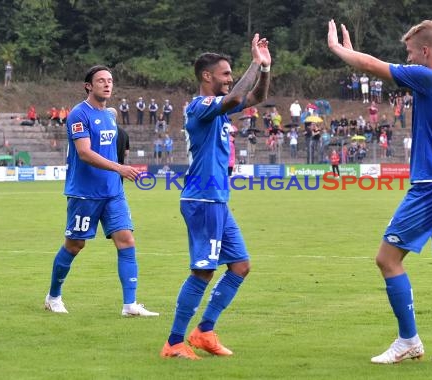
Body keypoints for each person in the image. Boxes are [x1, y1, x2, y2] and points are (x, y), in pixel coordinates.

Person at [328, 19, 432, 365]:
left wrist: (339, 50)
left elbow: (372, 66)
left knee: (387, 259)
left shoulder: (429, 76)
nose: (408, 60)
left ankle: (408, 340)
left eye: (410, 53)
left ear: (425, 51)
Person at [160, 34, 271, 360]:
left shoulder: (218, 112)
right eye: (225, 74)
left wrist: (264, 68)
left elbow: (256, 96)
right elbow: (237, 97)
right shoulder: (199, 107)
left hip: (217, 199)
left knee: (239, 266)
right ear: (207, 77)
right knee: (203, 271)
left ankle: (204, 331)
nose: (229, 79)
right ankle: (174, 343)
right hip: (202, 199)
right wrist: (253, 61)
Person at [44, 65, 158, 317]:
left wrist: (117, 174)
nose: (107, 85)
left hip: (112, 192)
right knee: (75, 245)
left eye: (110, 80)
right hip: (85, 193)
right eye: (101, 81)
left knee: (126, 241)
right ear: (88, 86)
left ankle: (130, 305)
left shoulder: (108, 114)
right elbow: (84, 153)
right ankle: (53, 297)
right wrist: (120, 167)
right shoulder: (78, 114)